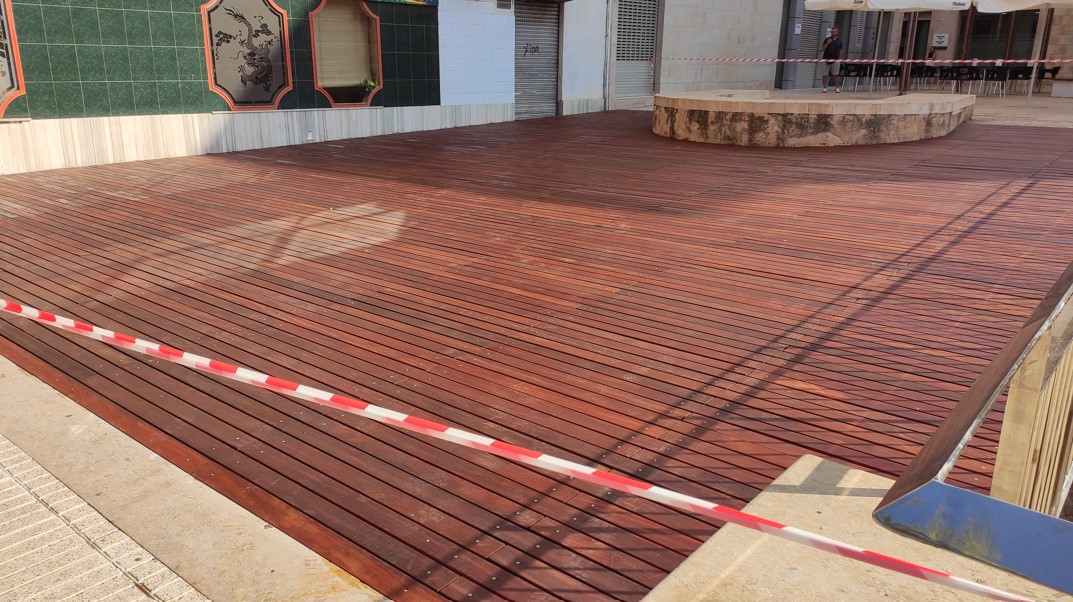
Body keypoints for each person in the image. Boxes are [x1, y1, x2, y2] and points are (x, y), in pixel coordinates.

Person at [820, 27, 843, 93]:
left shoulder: (839, 41)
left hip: (835, 60)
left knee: (836, 75)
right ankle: (824, 88)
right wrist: (828, 43)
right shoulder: (827, 39)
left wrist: (839, 59)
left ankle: (837, 87)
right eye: (832, 32)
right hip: (826, 59)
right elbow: (823, 48)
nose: (833, 33)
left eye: (834, 32)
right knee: (825, 74)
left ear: (837, 32)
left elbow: (840, 50)